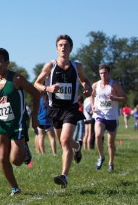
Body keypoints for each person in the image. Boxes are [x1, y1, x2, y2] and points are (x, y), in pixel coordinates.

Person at [0, 48, 40, 196]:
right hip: (1, 124)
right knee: (2, 158)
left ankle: (24, 151)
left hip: (17, 124)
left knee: (16, 160)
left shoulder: (17, 79)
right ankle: (15, 188)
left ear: (7, 62)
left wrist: (35, 117)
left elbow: (36, 93)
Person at [34, 34, 92, 188]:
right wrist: (48, 88)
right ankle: (78, 147)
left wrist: (87, 87)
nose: (63, 48)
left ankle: (64, 176)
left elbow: (85, 80)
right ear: (56, 48)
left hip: (71, 108)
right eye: (60, 45)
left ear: (71, 48)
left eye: (66, 45)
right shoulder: (50, 66)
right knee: (63, 142)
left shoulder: (77, 66)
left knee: (65, 141)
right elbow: (36, 84)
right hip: (55, 109)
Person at [91, 64, 127, 172]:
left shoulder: (114, 84)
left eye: (105, 73)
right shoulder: (95, 85)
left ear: (108, 73)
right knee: (97, 135)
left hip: (112, 117)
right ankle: (101, 156)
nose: (103, 75)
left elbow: (125, 98)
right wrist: (93, 106)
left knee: (110, 143)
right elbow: (92, 96)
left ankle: (111, 163)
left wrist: (115, 98)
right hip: (100, 115)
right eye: (101, 73)